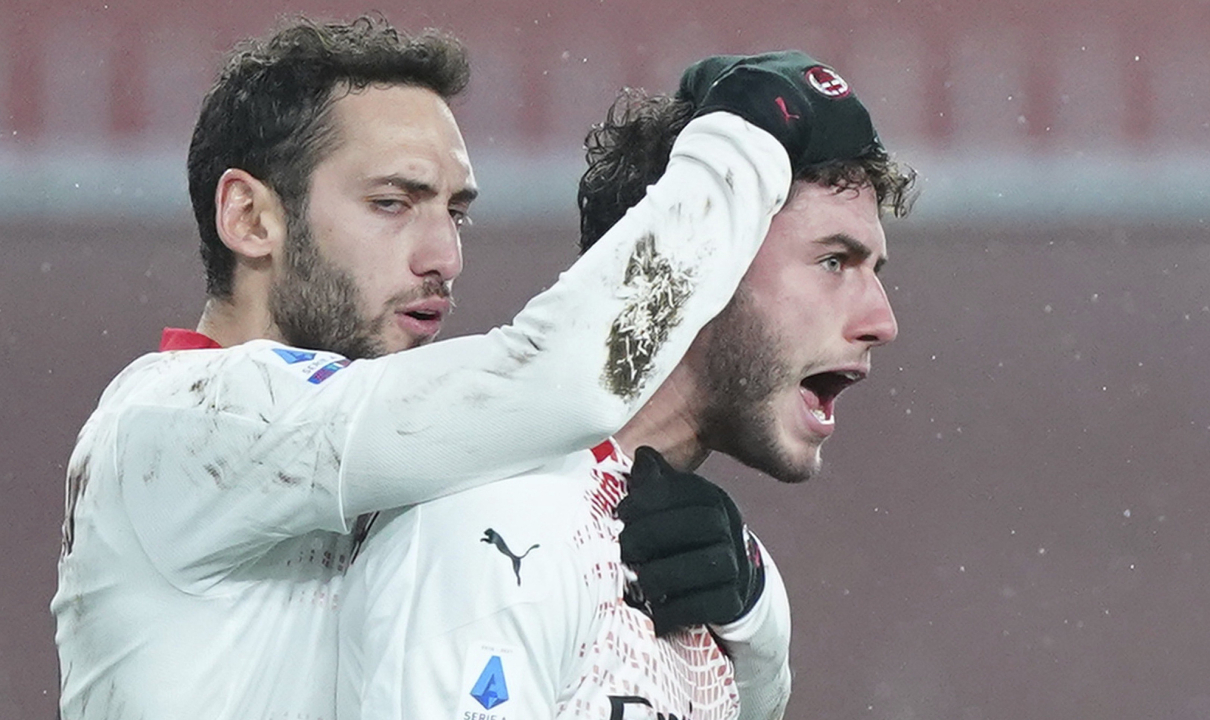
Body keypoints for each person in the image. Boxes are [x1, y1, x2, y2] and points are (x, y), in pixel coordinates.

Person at [49, 17, 804, 720]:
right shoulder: (175, 424)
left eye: (455, 211)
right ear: (250, 219)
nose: (444, 257)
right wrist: (750, 138)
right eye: (391, 203)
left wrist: (752, 609)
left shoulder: (419, 469)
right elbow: (564, 379)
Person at [337, 51, 916, 720]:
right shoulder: (495, 534)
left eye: (872, 268)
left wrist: (757, 629)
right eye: (833, 261)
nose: (882, 321)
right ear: (702, 262)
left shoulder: (720, 587)